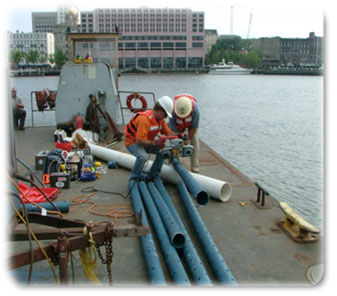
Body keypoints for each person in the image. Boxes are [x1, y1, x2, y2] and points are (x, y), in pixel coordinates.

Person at [124, 96, 176, 181]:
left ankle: (152, 175)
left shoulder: (160, 120)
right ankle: (134, 178)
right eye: (165, 114)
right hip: (132, 142)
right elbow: (139, 141)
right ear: (160, 111)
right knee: (143, 157)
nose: (166, 117)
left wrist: (178, 136)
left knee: (163, 151)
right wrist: (156, 143)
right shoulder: (144, 120)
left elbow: (168, 133)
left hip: (145, 141)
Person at [169, 94, 200, 173]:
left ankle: (195, 168)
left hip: (190, 125)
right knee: (174, 143)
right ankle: (177, 164)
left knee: (195, 141)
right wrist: (177, 140)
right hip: (178, 125)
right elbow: (172, 132)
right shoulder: (172, 111)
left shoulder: (195, 110)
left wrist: (188, 139)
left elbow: (194, 128)